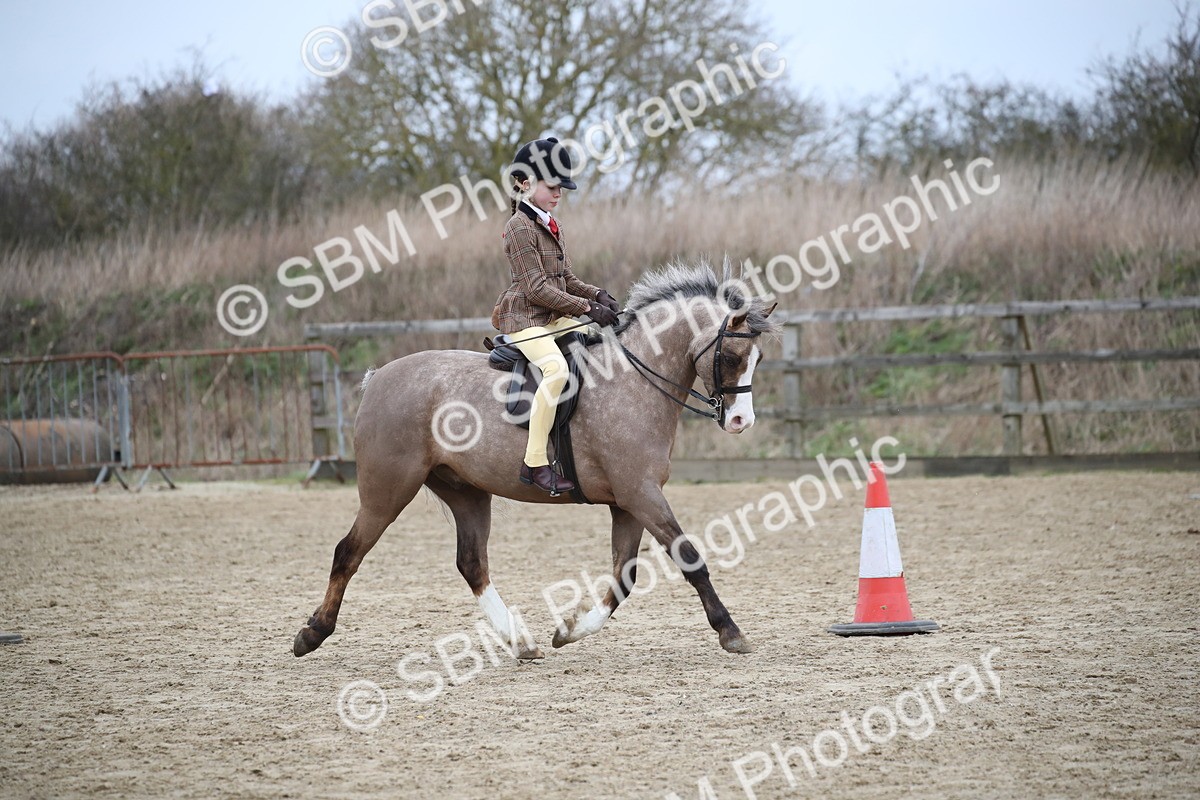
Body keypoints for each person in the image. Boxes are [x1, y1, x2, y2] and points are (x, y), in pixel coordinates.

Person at [491, 137, 621, 493]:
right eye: (553, 186)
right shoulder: (518, 227)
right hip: (525, 320)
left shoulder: (551, 223)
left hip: (552, 316)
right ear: (524, 183)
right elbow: (536, 289)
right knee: (556, 369)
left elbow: (564, 279)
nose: (559, 192)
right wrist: (586, 308)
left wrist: (596, 294)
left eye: (562, 187)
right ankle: (534, 462)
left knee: (597, 349)